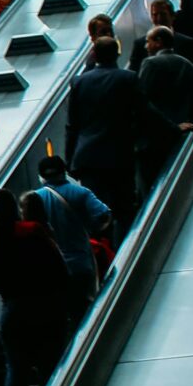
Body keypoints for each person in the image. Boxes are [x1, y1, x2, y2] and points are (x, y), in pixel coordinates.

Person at [0, 188, 72, 386]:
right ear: (15, 210)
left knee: (16, 371)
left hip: (13, 310)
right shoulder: (32, 231)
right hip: (45, 305)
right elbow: (58, 266)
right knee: (49, 366)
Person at [64, 36, 145, 236]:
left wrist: (70, 160)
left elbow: (72, 125)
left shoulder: (79, 82)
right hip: (120, 157)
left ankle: (104, 256)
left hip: (88, 159)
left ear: (94, 54)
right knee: (124, 209)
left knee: (97, 213)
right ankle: (126, 250)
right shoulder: (128, 78)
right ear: (117, 54)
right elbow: (144, 113)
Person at [33, 154, 112, 319]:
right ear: (64, 172)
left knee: (65, 313)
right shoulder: (80, 193)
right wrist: (91, 228)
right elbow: (103, 215)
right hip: (81, 263)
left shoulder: (34, 199)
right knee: (86, 310)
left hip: (52, 269)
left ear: (41, 177)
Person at [136, 26, 193, 189]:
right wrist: (185, 122)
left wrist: (170, 126)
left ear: (158, 42)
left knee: (149, 186)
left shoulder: (150, 63)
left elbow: (141, 101)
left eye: (148, 41)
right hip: (180, 135)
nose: (146, 46)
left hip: (153, 139)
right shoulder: (186, 64)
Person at [127, 0, 178, 72]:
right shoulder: (140, 44)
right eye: (155, 15)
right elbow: (134, 71)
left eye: (163, 14)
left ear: (173, 16)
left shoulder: (186, 43)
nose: (159, 18)